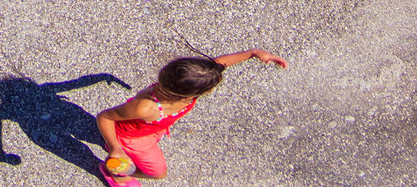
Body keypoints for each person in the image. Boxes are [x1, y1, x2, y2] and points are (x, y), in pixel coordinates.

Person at [96, 51, 287, 179]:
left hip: (154, 127)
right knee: (158, 173)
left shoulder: (180, 84)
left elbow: (218, 65)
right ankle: (114, 172)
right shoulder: (146, 108)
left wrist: (254, 53)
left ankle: (115, 149)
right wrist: (116, 149)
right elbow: (104, 117)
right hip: (134, 137)